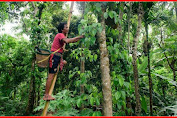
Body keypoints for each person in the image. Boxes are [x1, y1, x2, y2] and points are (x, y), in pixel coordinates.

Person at [43, 22, 84, 101]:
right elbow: (68, 41)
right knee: (51, 75)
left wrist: (78, 38)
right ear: (62, 29)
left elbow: (72, 41)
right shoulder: (60, 35)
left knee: (63, 64)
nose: (68, 28)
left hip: (58, 57)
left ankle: (47, 94)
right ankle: (46, 95)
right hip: (54, 56)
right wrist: (80, 37)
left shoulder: (62, 36)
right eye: (66, 27)